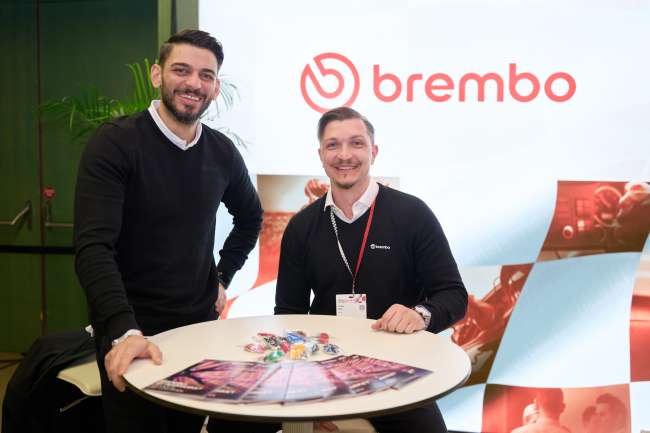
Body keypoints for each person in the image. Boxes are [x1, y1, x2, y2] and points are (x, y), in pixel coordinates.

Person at [74, 29, 263, 433]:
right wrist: (123, 330)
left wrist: (222, 277)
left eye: (206, 76)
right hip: (131, 328)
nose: (194, 83)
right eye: (182, 70)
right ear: (157, 75)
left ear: (215, 88)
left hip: (197, 328)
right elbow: (93, 247)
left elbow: (251, 218)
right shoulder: (115, 143)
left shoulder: (222, 152)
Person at [274, 106, 468, 433]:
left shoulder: (413, 214)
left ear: (373, 152)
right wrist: (305, 396)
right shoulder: (301, 226)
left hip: (398, 373)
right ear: (320, 155)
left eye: (356, 143)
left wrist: (420, 315)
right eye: (333, 145)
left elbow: (453, 295)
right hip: (324, 371)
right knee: (231, 424)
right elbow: (288, 314)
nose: (344, 155)